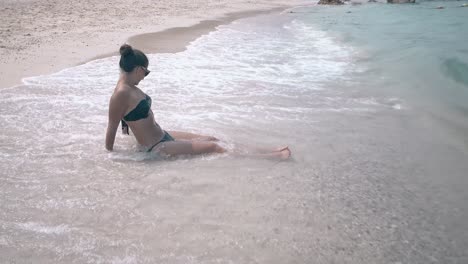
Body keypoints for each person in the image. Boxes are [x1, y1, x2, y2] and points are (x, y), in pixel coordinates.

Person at [105, 44, 291, 159]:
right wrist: (112, 157)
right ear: (138, 69)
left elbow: (125, 124)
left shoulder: (130, 88)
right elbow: (112, 127)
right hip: (156, 147)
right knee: (214, 147)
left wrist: (131, 142)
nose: (145, 76)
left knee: (212, 138)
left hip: (162, 135)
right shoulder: (121, 93)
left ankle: (264, 149)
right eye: (146, 72)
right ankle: (270, 157)